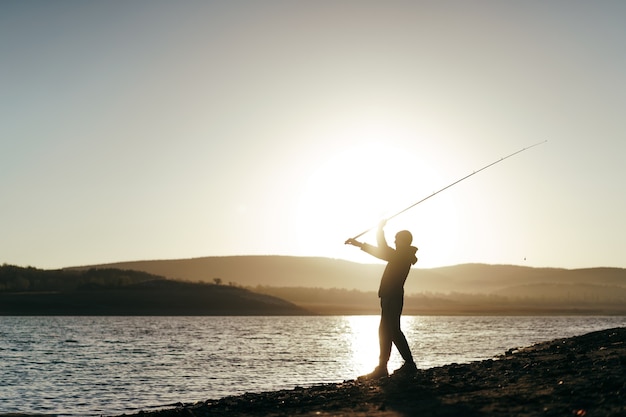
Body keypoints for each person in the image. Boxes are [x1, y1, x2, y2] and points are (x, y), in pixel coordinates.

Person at [345, 220, 418, 379]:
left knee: (392, 331)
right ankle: (383, 368)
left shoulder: (403, 256)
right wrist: (358, 244)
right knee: (385, 331)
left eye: (397, 239)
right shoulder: (400, 255)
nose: (395, 241)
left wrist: (379, 230)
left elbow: (383, 250)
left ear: (403, 242)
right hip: (389, 297)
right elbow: (381, 252)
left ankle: (409, 364)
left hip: (393, 297)